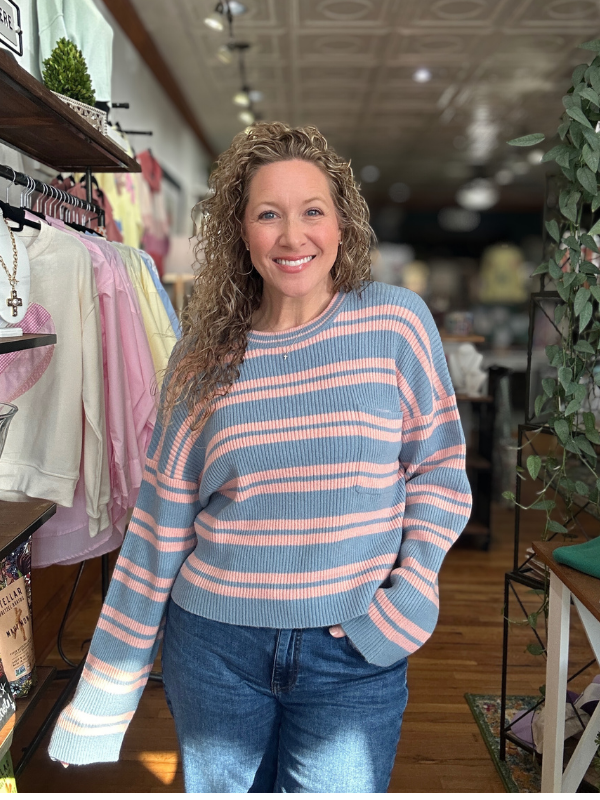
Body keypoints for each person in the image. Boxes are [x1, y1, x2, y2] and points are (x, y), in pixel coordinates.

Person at [48, 122, 471, 792]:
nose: (292, 236)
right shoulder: (202, 357)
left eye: (312, 212)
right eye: (268, 214)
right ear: (241, 233)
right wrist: (104, 695)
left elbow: (440, 471)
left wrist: (413, 591)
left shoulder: (396, 323)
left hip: (352, 649)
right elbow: (158, 530)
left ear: (343, 224)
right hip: (215, 649)